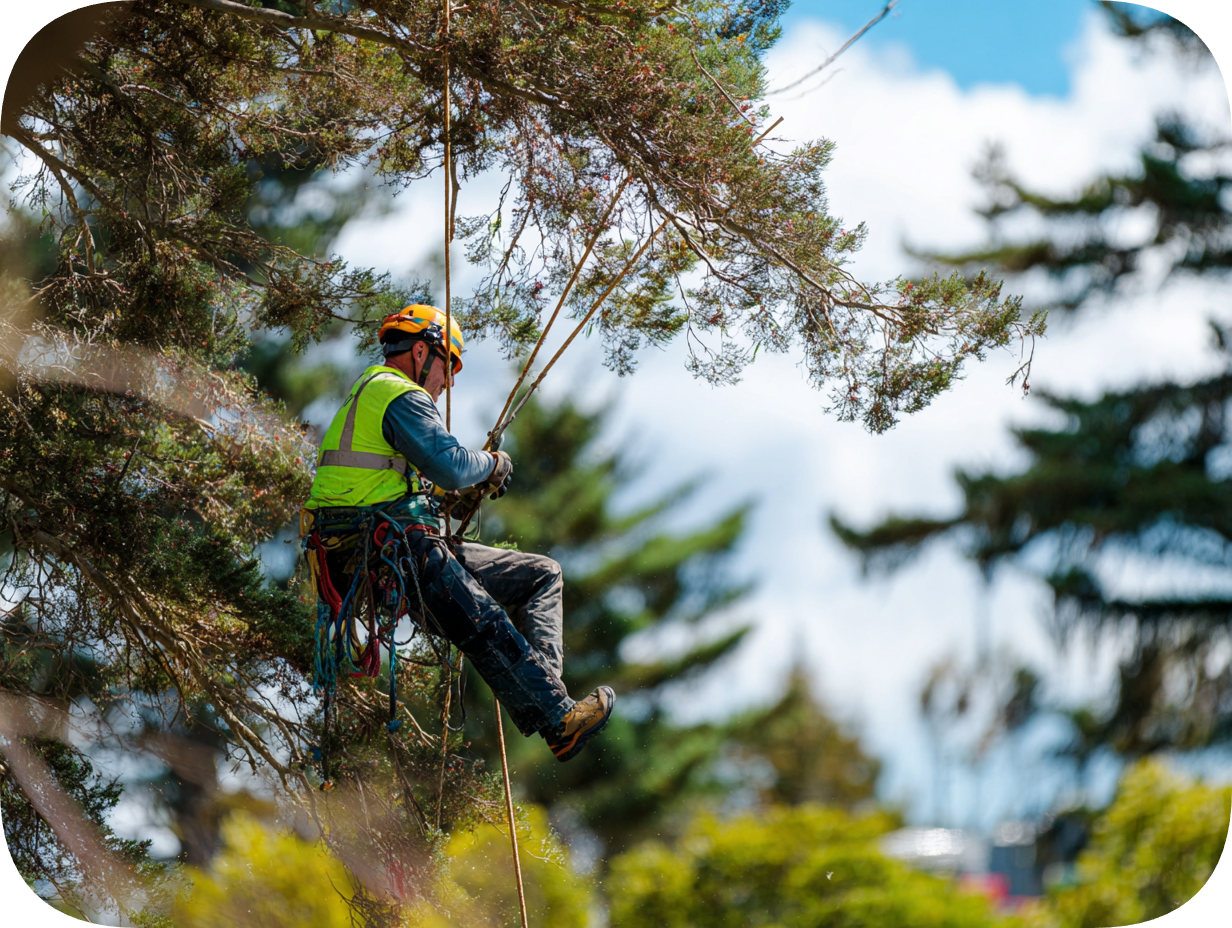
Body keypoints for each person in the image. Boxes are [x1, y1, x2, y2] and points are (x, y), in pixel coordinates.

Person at [300, 304, 614, 762]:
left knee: (541, 575)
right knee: (483, 619)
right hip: (383, 547)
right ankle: (556, 717)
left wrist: (452, 500)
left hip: (390, 545)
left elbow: (404, 481)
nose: (449, 382)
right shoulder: (396, 392)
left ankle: (550, 699)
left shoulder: (375, 399)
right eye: (449, 366)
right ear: (422, 351)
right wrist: (490, 464)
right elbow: (449, 465)